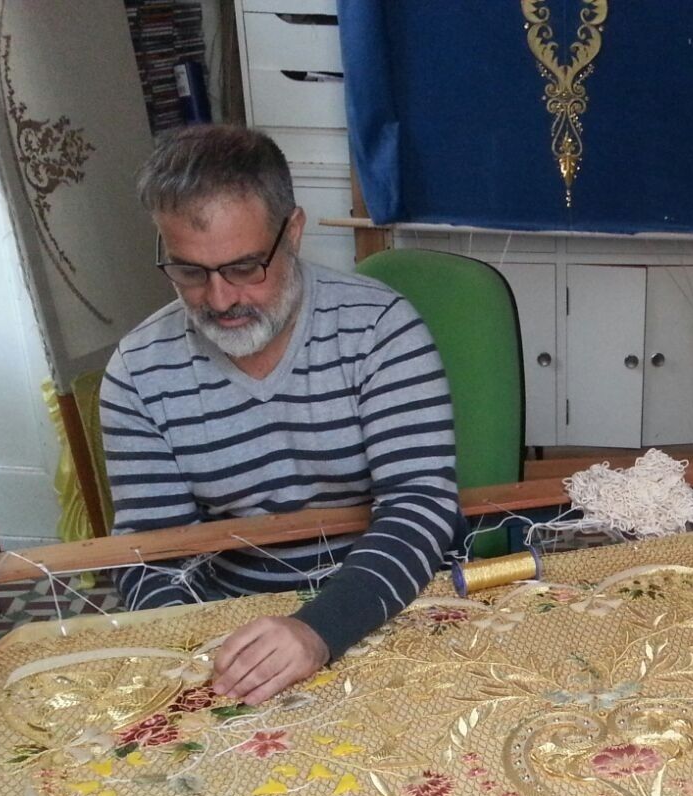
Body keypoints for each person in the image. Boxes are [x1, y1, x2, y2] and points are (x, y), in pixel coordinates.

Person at [101, 126, 462, 705]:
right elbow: (155, 553)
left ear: (292, 232)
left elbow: (419, 507)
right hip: (236, 622)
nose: (220, 300)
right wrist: (219, 656)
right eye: (190, 272)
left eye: (246, 267)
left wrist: (319, 629)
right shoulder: (138, 371)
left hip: (391, 603)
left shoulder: (381, 330)